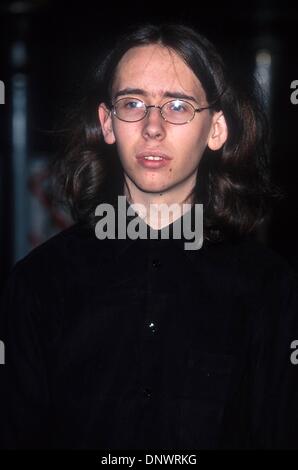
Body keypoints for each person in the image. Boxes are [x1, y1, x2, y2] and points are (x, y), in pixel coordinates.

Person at [0, 23, 297, 450]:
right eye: (133, 103)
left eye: (177, 106)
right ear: (107, 123)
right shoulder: (39, 285)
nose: (152, 127)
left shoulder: (269, 290)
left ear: (216, 129)